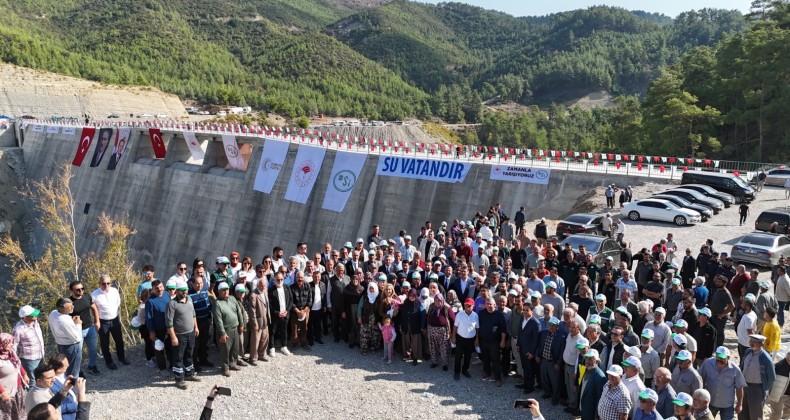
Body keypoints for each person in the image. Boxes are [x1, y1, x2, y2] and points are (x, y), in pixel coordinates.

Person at [167, 280, 200, 389]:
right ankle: (179, 379)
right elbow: (169, 322)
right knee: (178, 357)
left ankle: (190, 374)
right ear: (176, 291)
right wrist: (173, 337)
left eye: (185, 290)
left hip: (190, 332)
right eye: (181, 290)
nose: (184, 292)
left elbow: (193, 314)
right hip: (179, 335)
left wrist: (196, 327)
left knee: (189, 354)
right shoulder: (172, 304)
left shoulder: (189, 299)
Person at [91, 275, 129, 370]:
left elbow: (118, 303)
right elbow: (93, 309)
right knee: (105, 343)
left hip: (115, 319)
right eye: (103, 283)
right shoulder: (94, 294)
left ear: (110, 283)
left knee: (119, 340)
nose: (106, 285)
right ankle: (109, 362)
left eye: (108, 283)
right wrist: (96, 321)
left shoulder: (114, 291)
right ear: (99, 284)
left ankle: (121, 358)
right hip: (103, 322)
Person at [67, 281, 100, 376]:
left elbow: (94, 308)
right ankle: (78, 371)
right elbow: (65, 318)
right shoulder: (69, 303)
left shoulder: (87, 296)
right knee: (78, 353)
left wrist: (97, 321)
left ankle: (92, 366)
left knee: (93, 349)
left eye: (82, 288)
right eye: (77, 290)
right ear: (71, 291)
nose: (81, 291)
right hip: (78, 331)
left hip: (90, 328)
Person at [739, 334, 776, 420]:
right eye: (751, 341)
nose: (751, 343)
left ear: (761, 345)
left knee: (755, 414)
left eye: (754, 342)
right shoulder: (747, 351)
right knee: (742, 412)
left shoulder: (766, 358)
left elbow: (772, 378)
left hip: (757, 389)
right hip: (744, 386)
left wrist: (763, 390)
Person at [213, 282, 245, 376]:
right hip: (226, 330)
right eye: (223, 290)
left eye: (227, 289)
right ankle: (225, 367)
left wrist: (241, 324)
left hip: (235, 328)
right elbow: (218, 320)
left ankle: (233, 363)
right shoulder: (217, 303)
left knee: (235, 348)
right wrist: (222, 333)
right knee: (225, 351)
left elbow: (239, 311)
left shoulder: (232, 298)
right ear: (219, 291)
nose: (226, 291)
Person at [48, 298, 83, 379]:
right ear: (62, 308)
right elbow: (76, 338)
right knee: (73, 370)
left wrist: (71, 322)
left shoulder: (53, 313)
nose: (73, 307)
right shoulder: (64, 321)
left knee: (65, 368)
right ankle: (73, 388)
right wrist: (78, 324)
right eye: (70, 306)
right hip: (71, 347)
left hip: (61, 345)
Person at [477, 297, 507, 387]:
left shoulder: (499, 315)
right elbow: (478, 327)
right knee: (485, 357)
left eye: (491, 304)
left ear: (495, 305)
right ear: (485, 305)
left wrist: (502, 341)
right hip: (483, 340)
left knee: (495, 360)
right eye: (487, 304)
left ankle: (498, 378)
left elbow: (503, 329)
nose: (489, 306)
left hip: (494, 342)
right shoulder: (481, 313)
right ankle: (487, 372)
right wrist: (477, 339)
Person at [537, 316, 566, 405]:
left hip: (553, 362)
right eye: (550, 325)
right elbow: (539, 345)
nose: (551, 327)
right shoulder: (544, 333)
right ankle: (547, 393)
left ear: (557, 326)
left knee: (555, 382)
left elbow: (562, 352)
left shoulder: (561, 336)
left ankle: (555, 397)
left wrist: (558, 363)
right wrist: (537, 355)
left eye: (553, 326)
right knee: (544, 378)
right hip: (544, 360)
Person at [145, 279, 173, 371]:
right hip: (158, 329)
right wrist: (151, 332)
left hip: (168, 326)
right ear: (152, 289)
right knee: (159, 348)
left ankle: (172, 365)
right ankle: (162, 368)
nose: (159, 289)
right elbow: (149, 318)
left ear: (163, 287)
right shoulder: (150, 301)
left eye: (160, 287)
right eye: (156, 288)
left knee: (170, 346)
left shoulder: (166, 294)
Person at [0, 333, 28, 420]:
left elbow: (18, 364)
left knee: (21, 414)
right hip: (7, 394)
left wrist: (24, 374)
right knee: (8, 416)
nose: (12, 344)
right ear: (2, 343)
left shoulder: (11, 353)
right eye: (9, 342)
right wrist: (3, 392)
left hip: (18, 390)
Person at [188, 274, 213, 370]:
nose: (199, 285)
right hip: (196, 323)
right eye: (197, 283)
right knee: (195, 344)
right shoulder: (189, 295)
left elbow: (208, 305)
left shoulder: (204, 292)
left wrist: (210, 318)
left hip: (205, 321)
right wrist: (195, 325)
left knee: (204, 342)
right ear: (193, 284)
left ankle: (203, 359)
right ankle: (195, 363)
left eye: (201, 283)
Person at [13, 305, 45, 380]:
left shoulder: (35, 323)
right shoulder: (18, 329)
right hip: (29, 360)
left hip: (40, 356)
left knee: (41, 378)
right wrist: (16, 361)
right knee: (32, 380)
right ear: (25, 317)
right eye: (33, 315)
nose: (36, 315)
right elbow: (13, 347)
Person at [517, 302, 541, 394]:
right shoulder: (522, 318)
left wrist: (532, 352)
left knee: (530, 369)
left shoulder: (535, 323)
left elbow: (536, 339)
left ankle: (530, 387)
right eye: (524, 310)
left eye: (527, 310)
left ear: (532, 311)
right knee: (524, 367)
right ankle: (525, 383)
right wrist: (518, 345)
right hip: (522, 348)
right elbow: (520, 332)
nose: (525, 312)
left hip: (529, 351)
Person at [247, 272, 271, 363]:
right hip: (258, 321)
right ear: (258, 285)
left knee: (265, 338)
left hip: (265, 320)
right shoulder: (254, 295)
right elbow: (252, 311)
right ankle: (253, 358)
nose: (263, 286)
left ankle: (262, 354)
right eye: (261, 285)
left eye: (265, 285)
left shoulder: (265, 292)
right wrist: (254, 323)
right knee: (255, 340)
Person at [452, 298, 478, 381]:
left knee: (468, 356)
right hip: (460, 338)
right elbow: (455, 327)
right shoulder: (459, 315)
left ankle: (465, 370)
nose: (467, 307)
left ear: (473, 306)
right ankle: (457, 372)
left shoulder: (475, 315)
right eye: (466, 305)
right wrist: (453, 337)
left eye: (469, 305)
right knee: (458, 356)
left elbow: (477, 328)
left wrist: (477, 339)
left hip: (470, 339)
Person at [268, 273, 293, 358]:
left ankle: (284, 346)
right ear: (274, 280)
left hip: (285, 314)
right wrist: (277, 312)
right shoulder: (271, 290)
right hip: (275, 315)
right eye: (277, 279)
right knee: (273, 331)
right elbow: (269, 304)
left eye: (281, 279)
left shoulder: (287, 287)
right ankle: (271, 347)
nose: (280, 281)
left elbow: (290, 300)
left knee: (284, 331)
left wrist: (287, 311)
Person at [426, 293, 453, 370]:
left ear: (442, 300)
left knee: (444, 348)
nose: (437, 302)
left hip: (443, 331)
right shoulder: (431, 306)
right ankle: (435, 362)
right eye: (436, 300)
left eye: (439, 300)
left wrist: (452, 332)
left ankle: (445, 364)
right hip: (431, 330)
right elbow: (428, 316)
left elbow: (453, 319)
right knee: (432, 347)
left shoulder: (446, 308)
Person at [578, 349, 607, 420]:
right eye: (587, 358)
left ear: (597, 361)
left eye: (591, 359)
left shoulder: (601, 377)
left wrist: (596, 416)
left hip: (590, 413)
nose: (587, 361)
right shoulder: (585, 369)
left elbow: (599, 400)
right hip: (583, 409)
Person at [48, 355, 77, 420]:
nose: (68, 365)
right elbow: (52, 407)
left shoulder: (63, 375)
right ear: (59, 369)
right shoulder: (51, 385)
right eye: (66, 364)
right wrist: (74, 405)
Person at [357, 281, 381, 356]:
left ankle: (374, 347)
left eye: (373, 288)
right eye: (370, 288)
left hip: (376, 319)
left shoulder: (378, 297)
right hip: (366, 318)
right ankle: (364, 349)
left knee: (375, 334)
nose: (371, 290)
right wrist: (359, 317)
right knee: (364, 334)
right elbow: (360, 307)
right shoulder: (364, 297)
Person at [769, 352, 790, 420]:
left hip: (788, 395)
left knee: (788, 411)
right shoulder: (778, 366)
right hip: (777, 395)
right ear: (788, 358)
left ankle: (784, 418)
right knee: (776, 414)